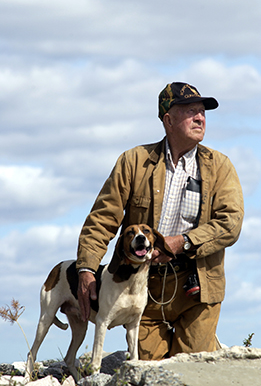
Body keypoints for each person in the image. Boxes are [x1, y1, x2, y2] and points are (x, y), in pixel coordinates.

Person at [76, 82, 244, 360]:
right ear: (168, 119)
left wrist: (183, 242)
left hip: (198, 289)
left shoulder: (220, 166)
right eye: (191, 111)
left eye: (202, 112)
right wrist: (86, 268)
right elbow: (102, 219)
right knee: (150, 372)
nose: (200, 118)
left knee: (196, 368)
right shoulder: (133, 161)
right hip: (143, 289)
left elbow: (231, 223)